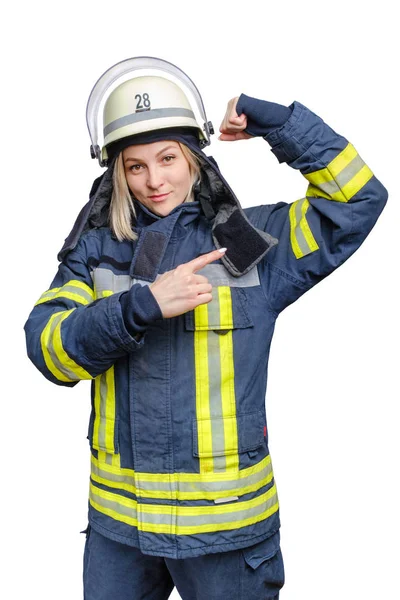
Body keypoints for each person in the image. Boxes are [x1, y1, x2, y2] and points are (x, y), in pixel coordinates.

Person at [24, 57, 388, 600]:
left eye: (168, 158)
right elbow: (50, 351)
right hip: (121, 538)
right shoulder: (96, 252)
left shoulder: (250, 244)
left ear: (193, 158)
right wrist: (139, 306)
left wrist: (282, 126)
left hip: (227, 538)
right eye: (135, 166)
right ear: (116, 172)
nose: (154, 180)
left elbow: (357, 200)